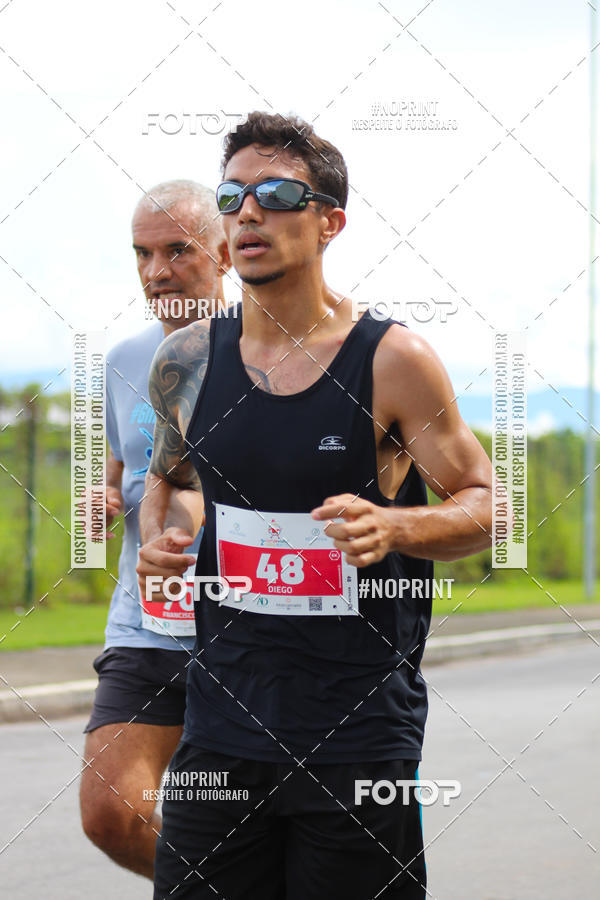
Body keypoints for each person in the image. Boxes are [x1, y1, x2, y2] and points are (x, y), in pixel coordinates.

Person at [137, 113, 493, 899]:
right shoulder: (187, 361)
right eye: (233, 195)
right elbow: (174, 483)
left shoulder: (393, 360)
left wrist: (397, 525)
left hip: (357, 733)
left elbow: (487, 504)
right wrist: (161, 540)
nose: (248, 211)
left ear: (329, 221)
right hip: (223, 721)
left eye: (276, 193)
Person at [80, 180, 230, 879]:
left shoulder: (274, 354)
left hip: (247, 623)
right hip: (146, 619)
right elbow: (123, 465)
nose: (155, 271)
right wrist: (104, 494)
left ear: (224, 251)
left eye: (177, 250)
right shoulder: (123, 361)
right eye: (141, 253)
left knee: (256, 818)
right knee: (112, 814)